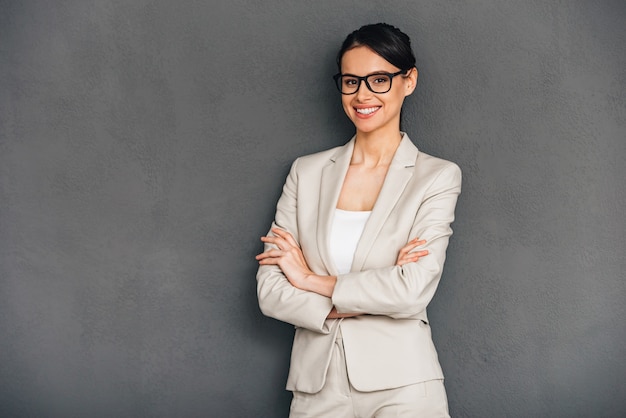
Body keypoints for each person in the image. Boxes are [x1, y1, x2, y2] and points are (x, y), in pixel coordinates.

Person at [256, 22, 461, 417]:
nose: (363, 95)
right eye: (351, 82)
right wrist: (371, 297)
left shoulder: (435, 176)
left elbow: (411, 291)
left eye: (379, 79)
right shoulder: (306, 172)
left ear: (409, 80)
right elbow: (270, 290)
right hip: (317, 387)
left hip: (404, 384)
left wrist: (309, 281)